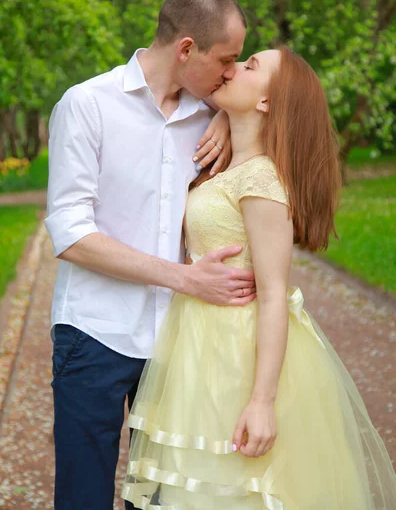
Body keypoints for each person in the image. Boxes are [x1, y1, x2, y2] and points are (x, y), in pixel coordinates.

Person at [121, 46, 396, 509]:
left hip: (236, 354)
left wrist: (262, 401)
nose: (233, 67)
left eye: (249, 67)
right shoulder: (227, 166)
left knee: (233, 487)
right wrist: (225, 119)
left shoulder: (263, 182)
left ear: (268, 102)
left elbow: (273, 296)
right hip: (198, 346)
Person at [45, 0, 258, 510]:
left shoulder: (208, 121)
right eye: (226, 60)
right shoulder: (87, 105)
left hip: (176, 345)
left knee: (163, 499)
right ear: (187, 49)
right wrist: (184, 277)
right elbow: (71, 232)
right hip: (92, 333)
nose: (232, 72)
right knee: (84, 497)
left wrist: (231, 118)